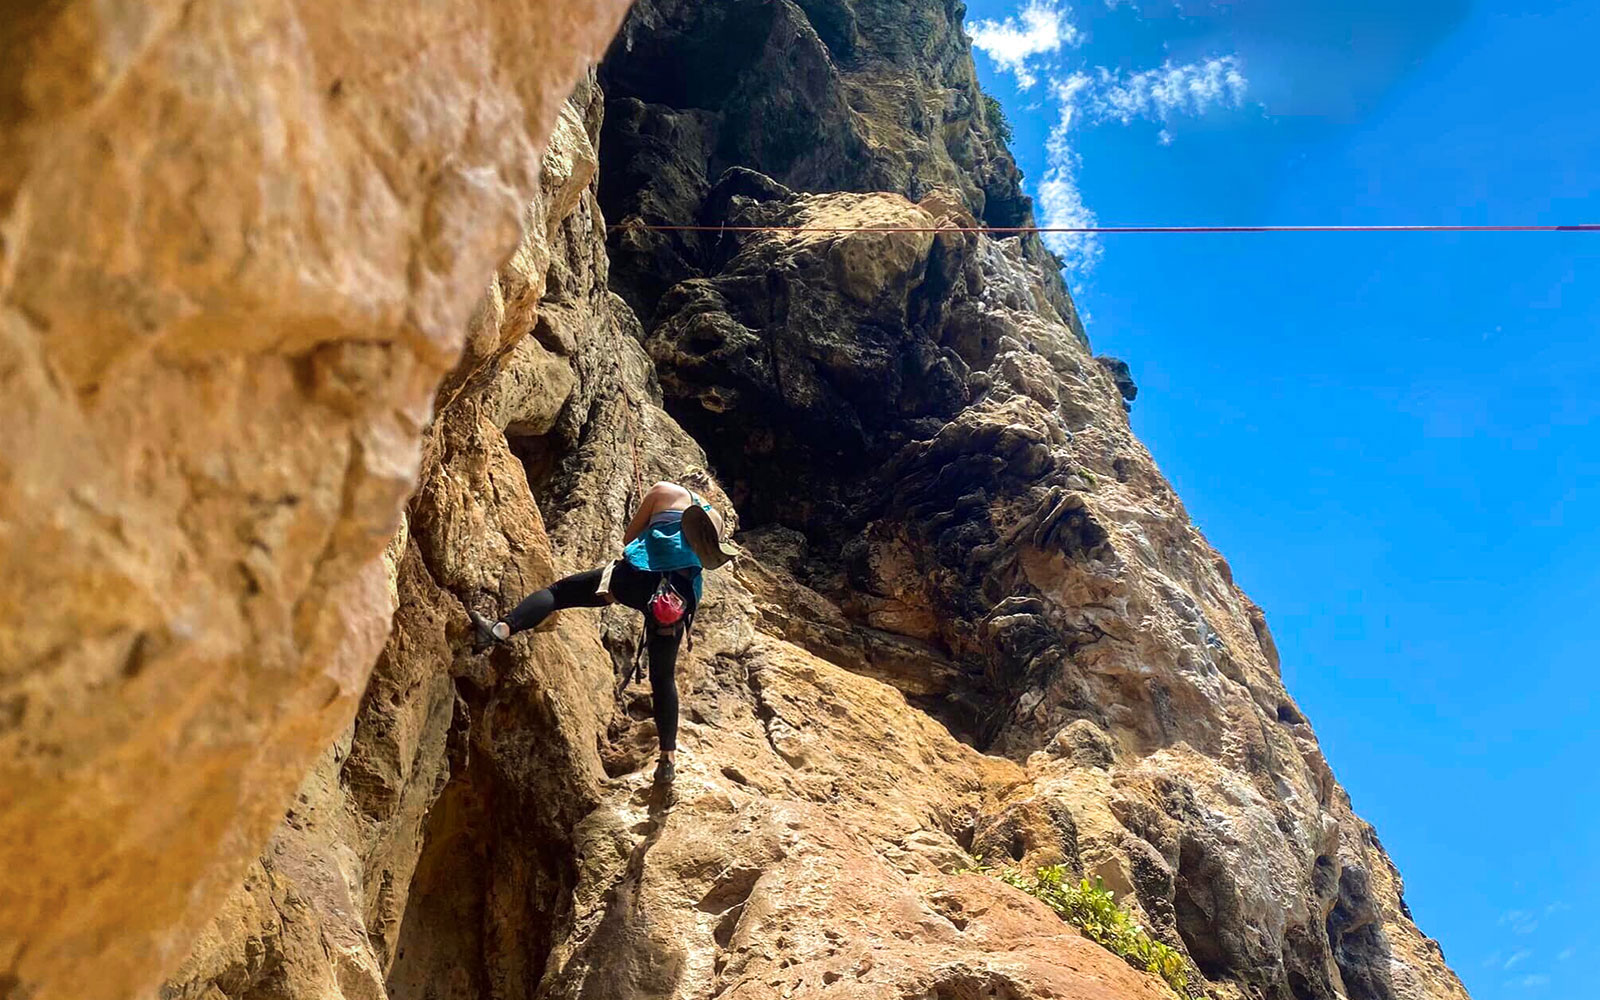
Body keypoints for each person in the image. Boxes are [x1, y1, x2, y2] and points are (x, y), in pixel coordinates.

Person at [468, 479, 738, 785]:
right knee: (663, 677)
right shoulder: (713, 517)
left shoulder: (663, 489)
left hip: (638, 578)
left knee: (559, 593)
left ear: (684, 480)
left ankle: (499, 630)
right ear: (710, 492)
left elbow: (629, 538)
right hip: (677, 598)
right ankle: (667, 761)